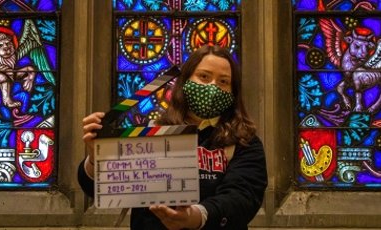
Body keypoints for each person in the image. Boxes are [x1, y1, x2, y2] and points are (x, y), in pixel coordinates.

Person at [77, 45, 268, 230]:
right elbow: (100, 189)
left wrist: (195, 216)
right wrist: (97, 158)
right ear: (185, 82)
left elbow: (243, 197)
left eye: (223, 82)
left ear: (233, 92)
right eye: (204, 76)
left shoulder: (245, 142)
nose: (212, 87)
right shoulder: (151, 132)